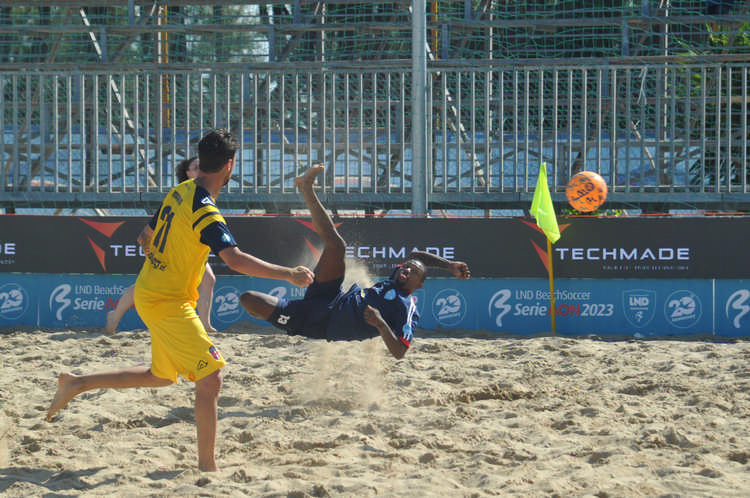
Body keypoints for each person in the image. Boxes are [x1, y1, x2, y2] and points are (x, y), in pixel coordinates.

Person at [47, 129, 314, 472]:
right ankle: (208, 468)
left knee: (160, 376)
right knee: (211, 377)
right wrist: (288, 274)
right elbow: (235, 259)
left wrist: (165, 258)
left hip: (158, 293)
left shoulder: (179, 191)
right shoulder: (206, 211)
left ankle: (77, 382)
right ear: (230, 166)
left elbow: (146, 237)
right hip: (165, 301)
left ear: (200, 162)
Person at [240, 165, 471, 360]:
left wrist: (380, 324)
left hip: (320, 322)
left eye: (414, 273)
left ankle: (276, 317)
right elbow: (418, 256)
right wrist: (449, 265)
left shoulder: (406, 306)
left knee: (249, 299)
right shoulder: (395, 281)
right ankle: (306, 188)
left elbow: (400, 351)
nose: (408, 268)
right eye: (407, 266)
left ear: (418, 285)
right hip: (333, 295)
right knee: (337, 246)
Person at [104, 156, 217, 334]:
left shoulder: (202, 193)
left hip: (188, 249)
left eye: (202, 167)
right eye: (195, 167)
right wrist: (147, 242)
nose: (199, 171)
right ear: (187, 173)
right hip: (171, 248)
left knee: (208, 280)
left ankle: (204, 324)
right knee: (147, 286)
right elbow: (160, 222)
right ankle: (115, 314)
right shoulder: (182, 192)